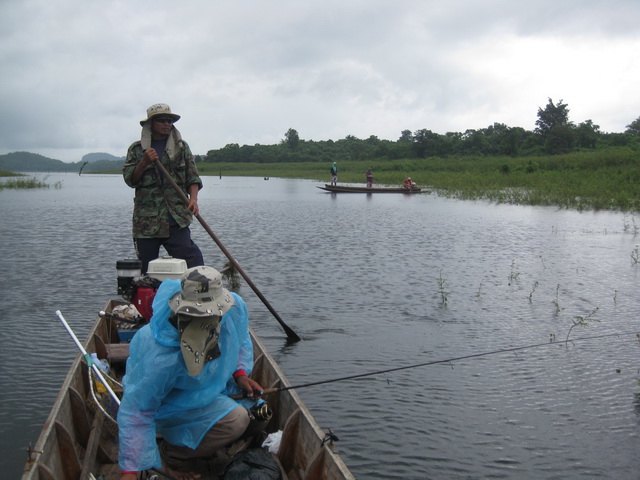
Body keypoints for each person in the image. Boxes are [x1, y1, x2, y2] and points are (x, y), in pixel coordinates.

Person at [118, 266, 267, 480]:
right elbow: (138, 410)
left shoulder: (234, 308)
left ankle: (198, 438)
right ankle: (171, 455)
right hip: (170, 405)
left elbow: (241, 338)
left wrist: (240, 373)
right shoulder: (160, 353)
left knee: (260, 415)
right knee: (237, 421)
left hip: (212, 389)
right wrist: (130, 471)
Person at [123, 103, 204, 274]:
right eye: (162, 120)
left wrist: (193, 199)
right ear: (151, 124)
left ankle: (196, 294)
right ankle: (149, 299)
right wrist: (144, 162)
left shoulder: (181, 147)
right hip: (147, 223)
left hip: (176, 218)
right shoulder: (137, 149)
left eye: (170, 121)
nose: (167, 124)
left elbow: (193, 177)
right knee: (145, 271)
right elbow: (130, 179)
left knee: (194, 262)